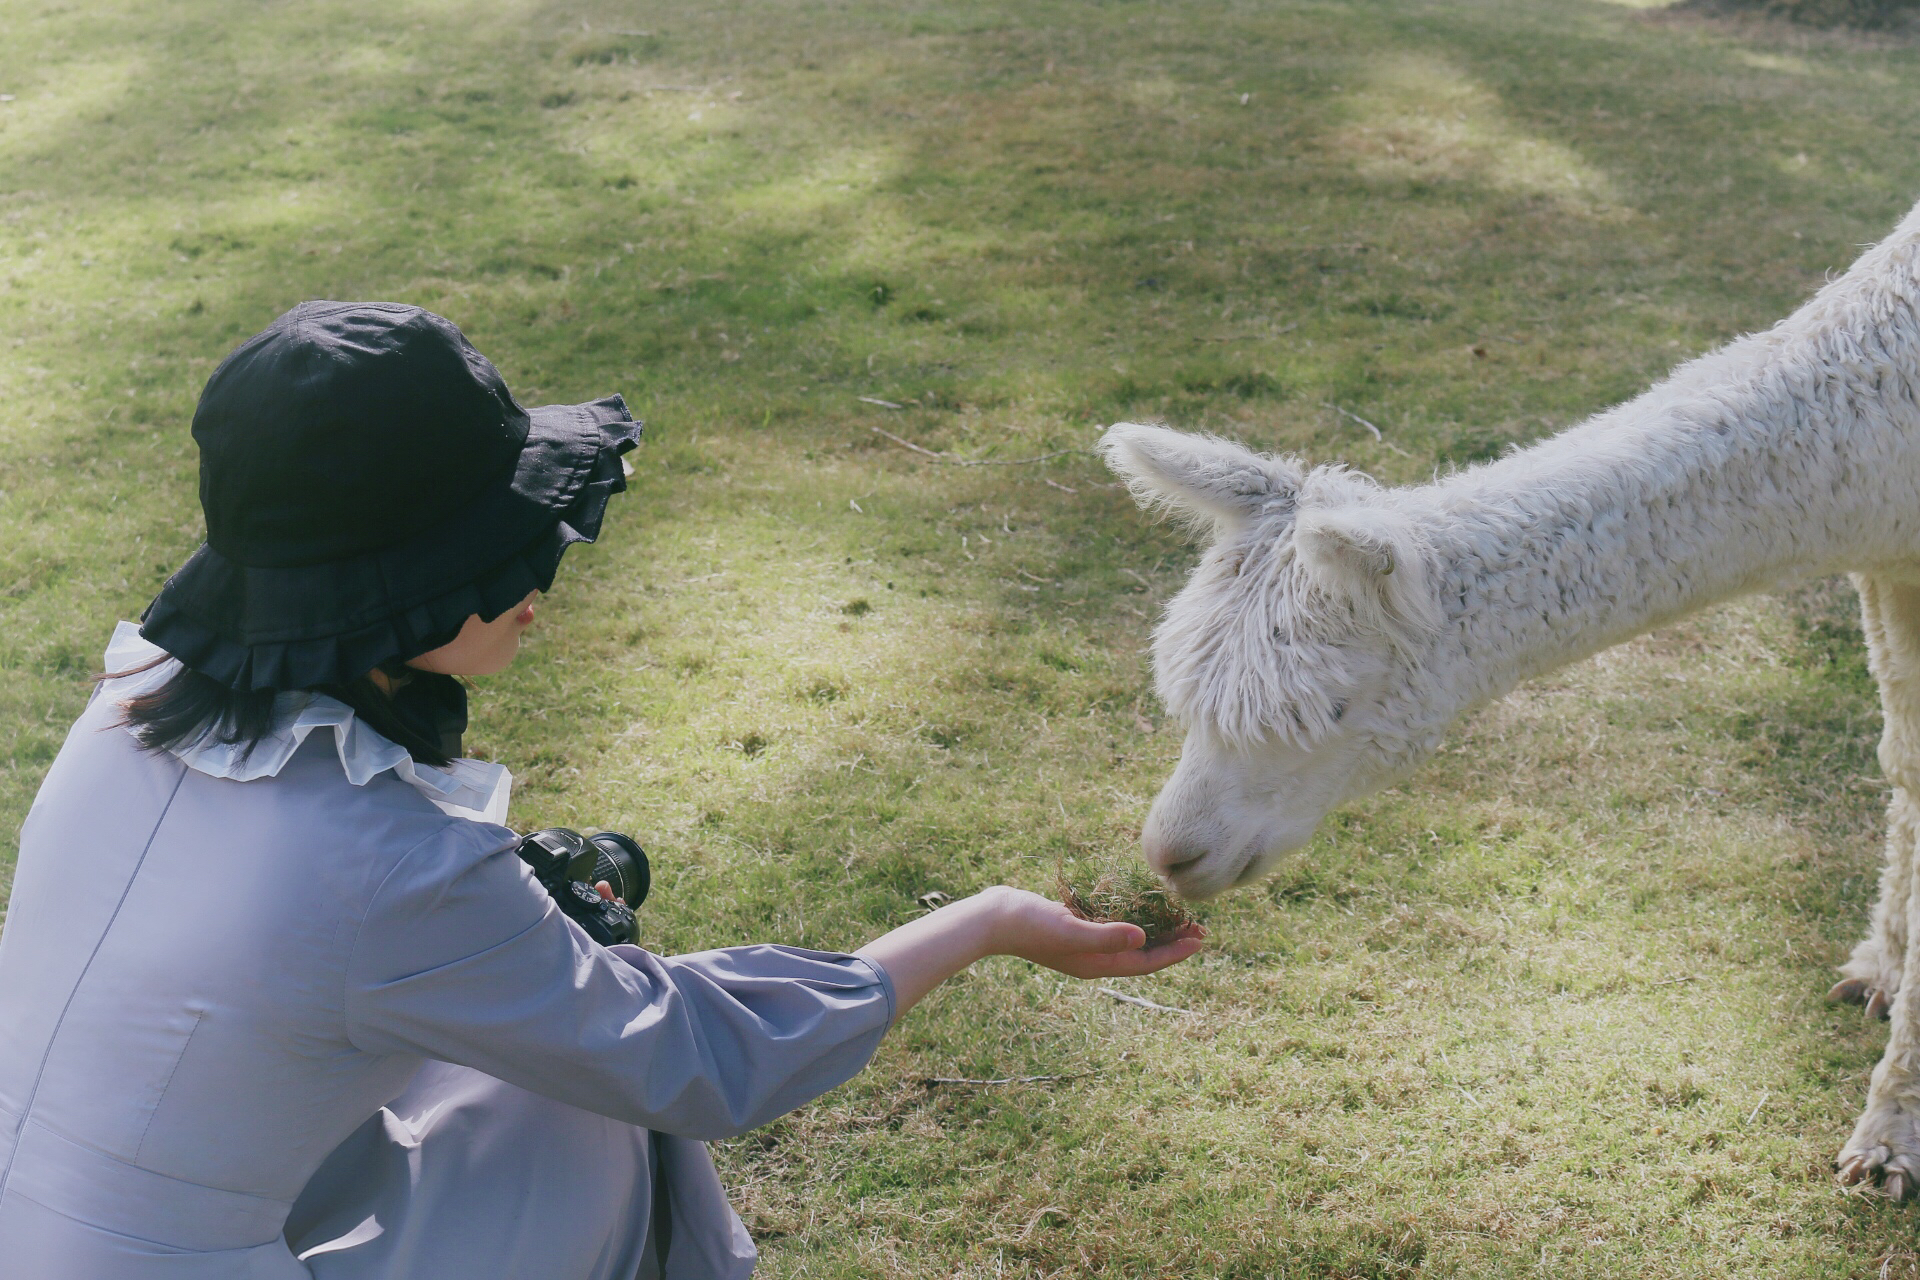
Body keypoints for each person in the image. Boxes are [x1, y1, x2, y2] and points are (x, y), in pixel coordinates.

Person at [0, 302, 1203, 1280]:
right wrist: (984, 920)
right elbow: (694, 1057)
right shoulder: (391, 864)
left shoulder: (131, 699)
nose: (546, 571)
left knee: (542, 1052)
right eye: (504, 548)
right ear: (402, 590)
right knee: (606, 1104)